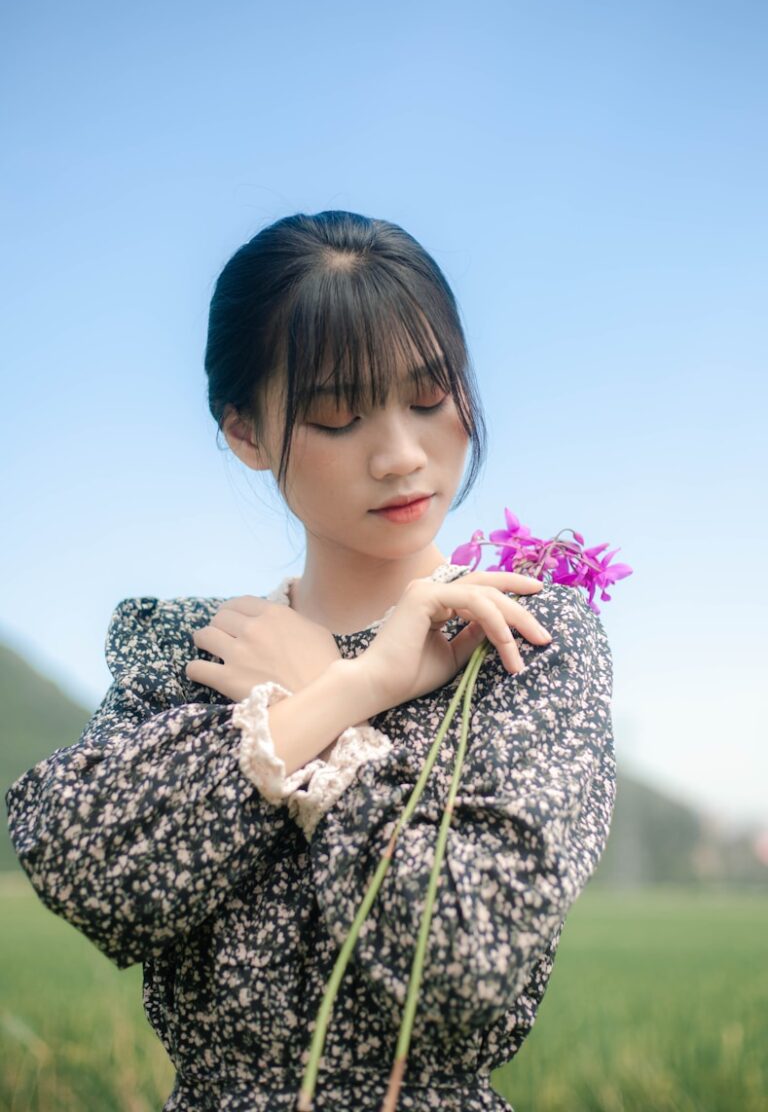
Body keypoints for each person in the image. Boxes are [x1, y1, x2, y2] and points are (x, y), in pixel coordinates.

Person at [5, 210, 617, 1112]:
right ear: (247, 432)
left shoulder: (515, 633)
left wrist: (327, 732)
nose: (402, 455)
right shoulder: (204, 645)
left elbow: (471, 958)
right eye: (338, 413)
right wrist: (349, 688)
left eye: (430, 395)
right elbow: (80, 863)